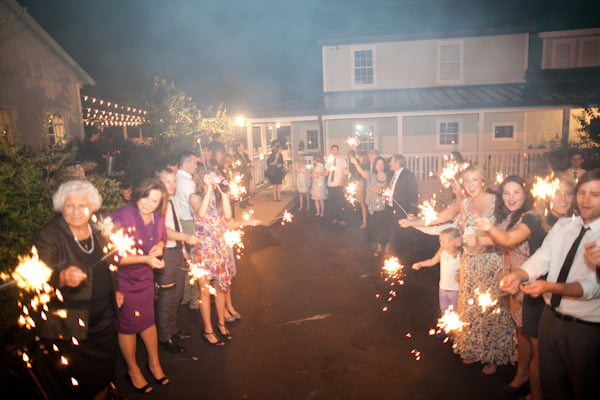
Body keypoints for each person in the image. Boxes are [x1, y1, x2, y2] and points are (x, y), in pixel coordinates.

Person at [499, 169, 600, 400]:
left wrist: (550, 288)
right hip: (550, 318)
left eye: (594, 194)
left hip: (585, 328)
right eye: (582, 193)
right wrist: (520, 275)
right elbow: (542, 258)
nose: (585, 200)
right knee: (552, 383)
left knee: (584, 387)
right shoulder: (565, 226)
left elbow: (593, 288)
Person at [32, 180, 117, 400]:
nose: (77, 212)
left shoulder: (98, 229)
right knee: (72, 385)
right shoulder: (50, 235)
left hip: (103, 323)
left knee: (102, 376)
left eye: (83, 206)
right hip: (68, 327)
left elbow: (110, 261)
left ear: (92, 207)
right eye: (70, 206)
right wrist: (61, 277)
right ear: (61, 206)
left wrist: (115, 289)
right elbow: (38, 276)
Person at [474, 176, 543, 394]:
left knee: (535, 340)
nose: (510, 198)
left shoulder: (530, 217)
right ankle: (522, 374)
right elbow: (506, 250)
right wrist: (505, 269)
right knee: (520, 330)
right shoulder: (511, 216)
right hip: (513, 281)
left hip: (532, 282)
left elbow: (508, 240)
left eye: (516, 193)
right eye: (506, 193)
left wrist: (484, 233)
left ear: (526, 194)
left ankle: (537, 388)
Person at [453, 164, 515, 375]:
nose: (470, 185)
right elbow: (464, 232)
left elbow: (505, 235)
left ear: (483, 181)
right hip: (470, 262)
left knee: (490, 309)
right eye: (467, 180)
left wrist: (481, 240)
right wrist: (462, 258)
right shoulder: (463, 203)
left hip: (492, 261)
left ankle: (492, 355)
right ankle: (472, 348)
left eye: (474, 180)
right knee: (471, 307)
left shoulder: (496, 201)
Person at [111, 178, 169, 394]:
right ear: (138, 194)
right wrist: (145, 259)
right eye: (146, 197)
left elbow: (162, 236)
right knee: (128, 325)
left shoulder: (158, 215)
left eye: (155, 200)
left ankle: (154, 363)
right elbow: (114, 258)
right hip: (123, 280)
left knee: (148, 320)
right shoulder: (120, 217)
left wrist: (161, 245)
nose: (149, 203)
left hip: (145, 278)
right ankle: (133, 369)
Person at [155, 167, 201, 353]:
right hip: (165, 254)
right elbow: (164, 232)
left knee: (178, 293)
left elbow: (177, 223)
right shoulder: (158, 204)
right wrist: (185, 238)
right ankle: (164, 337)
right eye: (168, 182)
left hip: (177, 252)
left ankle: (172, 329)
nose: (172, 185)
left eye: (174, 181)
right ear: (159, 183)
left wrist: (184, 250)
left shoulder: (172, 200)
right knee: (167, 297)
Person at [189, 172, 238, 346]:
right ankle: (208, 330)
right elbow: (201, 214)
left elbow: (228, 218)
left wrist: (224, 194)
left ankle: (221, 323)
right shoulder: (194, 197)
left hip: (219, 249)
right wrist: (209, 189)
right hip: (202, 250)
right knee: (204, 291)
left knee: (220, 288)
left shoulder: (217, 199)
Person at [412, 226, 462, 337]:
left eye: (443, 240)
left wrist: (461, 275)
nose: (441, 242)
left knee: (455, 311)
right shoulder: (442, 253)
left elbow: (465, 269)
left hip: (455, 289)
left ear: (453, 241)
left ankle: (456, 333)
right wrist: (421, 264)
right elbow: (432, 261)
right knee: (444, 309)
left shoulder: (460, 255)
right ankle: (445, 329)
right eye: (440, 240)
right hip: (443, 288)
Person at [175, 151, 201, 310]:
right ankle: (195, 298)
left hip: (179, 223)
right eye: (194, 163)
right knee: (195, 260)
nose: (196, 166)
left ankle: (184, 296)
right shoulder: (187, 183)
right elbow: (196, 207)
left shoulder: (175, 178)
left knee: (185, 260)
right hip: (189, 223)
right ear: (186, 164)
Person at [351, 155, 389, 256]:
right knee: (375, 228)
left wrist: (380, 190)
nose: (379, 166)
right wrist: (355, 163)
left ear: (384, 165)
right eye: (377, 164)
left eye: (381, 164)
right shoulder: (371, 175)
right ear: (375, 165)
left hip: (382, 207)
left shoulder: (388, 177)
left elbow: (390, 191)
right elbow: (361, 172)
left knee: (382, 228)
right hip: (371, 206)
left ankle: (385, 248)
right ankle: (379, 247)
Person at [386, 154, 418, 265]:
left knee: (403, 236)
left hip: (403, 210)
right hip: (391, 208)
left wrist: (411, 212)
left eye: (391, 161)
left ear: (397, 163)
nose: (389, 163)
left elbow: (413, 195)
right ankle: (395, 258)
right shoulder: (392, 174)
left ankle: (405, 261)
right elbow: (390, 191)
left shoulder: (408, 175)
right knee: (393, 234)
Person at [325, 144, 348, 226]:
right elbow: (326, 173)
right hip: (330, 184)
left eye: (336, 149)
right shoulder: (329, 161)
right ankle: (334, 218)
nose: (334, 151)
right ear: (331, 151)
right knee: (332, 202)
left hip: (338, 184)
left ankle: (341, 218)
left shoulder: (342, 160)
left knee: (340, 202)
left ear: (338, 150)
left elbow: (345, 173)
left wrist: (342, 180)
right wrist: (317, 173)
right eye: (333, 150)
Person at [348, 150, 368, 229]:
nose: (358, 157)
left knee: (363, 203)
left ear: (363, 157)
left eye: (359, 156)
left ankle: (365, 221)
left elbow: (362, 175)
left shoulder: (365, 166)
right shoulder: (360, 164)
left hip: (363, 186)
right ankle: (363, 220)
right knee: (361, 203)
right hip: (359, 185)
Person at [233, 142, 254, 208]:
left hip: (247, 173)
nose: (243, 147)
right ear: (238, 147)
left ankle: (247, 201)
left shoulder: (245, 155)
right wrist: (248, 164)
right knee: (242, 189)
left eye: (243, 146)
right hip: (241, 174)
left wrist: (251, 163)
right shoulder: (236, 155)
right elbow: (239, 165)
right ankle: (242, 204)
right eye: (242, 146)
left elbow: (248, 161)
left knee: (247, 188)